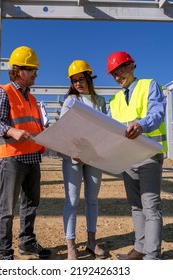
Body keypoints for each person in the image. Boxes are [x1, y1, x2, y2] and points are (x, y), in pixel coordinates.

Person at [0, 46, 51, 260]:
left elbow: (36, 127)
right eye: (31, 69)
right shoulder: (4, 92)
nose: (36, 73)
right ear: (18, 71)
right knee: (7, 208)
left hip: (33, 158)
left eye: (35, 69)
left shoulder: (33, 100)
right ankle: (5, 253)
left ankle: (27, 243)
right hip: (13, 159)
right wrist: (12, 131)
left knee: (31, 204)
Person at [107, 51, 168, 260]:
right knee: (136, 206)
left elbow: (157, 114)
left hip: (148, 153)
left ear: (132, 66)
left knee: (150, 206)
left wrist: (141, 125)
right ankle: (140, 248)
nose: (118, 76)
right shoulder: (114, 101)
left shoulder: (150, 85)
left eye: (121, 69)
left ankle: (152, 257)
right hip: (128, 157)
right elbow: (108, 127)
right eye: (114, 74)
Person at [59, 60, 107, 260]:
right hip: (74, 157)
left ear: (88, 78)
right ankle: (71, 246)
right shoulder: (70, 101)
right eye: (74, 80)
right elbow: (62, 128)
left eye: (81, 79)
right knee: (71, 201)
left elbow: (107, 128)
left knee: (92, 200)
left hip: (94, 157)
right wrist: (71, 149)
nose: (78, 83)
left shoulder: (101, 102)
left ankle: (91, 242)